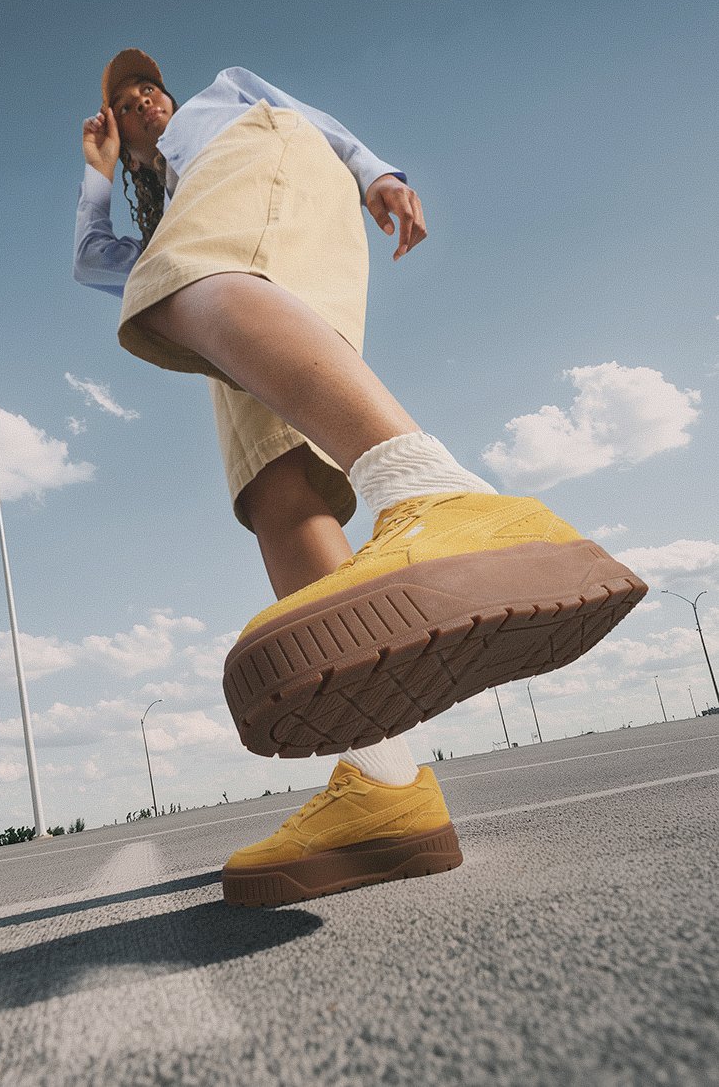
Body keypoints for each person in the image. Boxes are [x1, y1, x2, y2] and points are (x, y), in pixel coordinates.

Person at [75, 49, 647, 907]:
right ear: (114, 127)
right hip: (216, 237)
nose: (146, 95)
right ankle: (386, 787)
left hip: (262, 168)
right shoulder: (159, 209)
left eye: (148, 85)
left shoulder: (220, 103)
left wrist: (375, 170)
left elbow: (300, 112)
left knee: (176, 285)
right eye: (125, 99)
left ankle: (438, 491)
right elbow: (94, 260)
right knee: (277, 488)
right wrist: (102, 175)